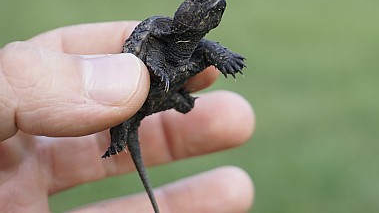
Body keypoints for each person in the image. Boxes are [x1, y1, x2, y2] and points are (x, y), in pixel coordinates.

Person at [0, 22, 255, 212]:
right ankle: (117, 141)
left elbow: (209, 51)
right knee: (125, 120)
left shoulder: (199, 49)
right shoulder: (161, 35)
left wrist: (226, 58)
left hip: (165, 95)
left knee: (180, 102)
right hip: (137, 99)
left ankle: (174, 105)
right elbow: (151, 57)